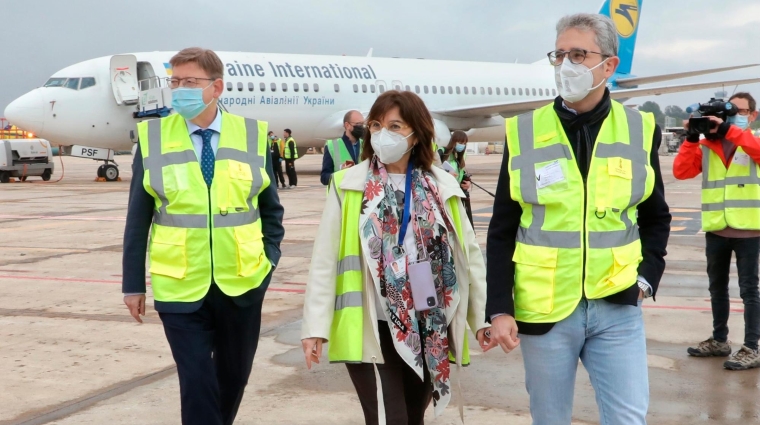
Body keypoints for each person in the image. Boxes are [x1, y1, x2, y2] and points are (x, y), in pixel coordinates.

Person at [485, 14, 671, 425]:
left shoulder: (641, 128)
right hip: (547, 311)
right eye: (560, 55)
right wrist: (499, 307)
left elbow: (655, 216)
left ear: (608, 66)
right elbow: (501, 230)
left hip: (617, 304)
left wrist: (646, 279)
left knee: (628, 418)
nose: (565, 64)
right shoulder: (525, 131)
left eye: (577, 54)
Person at [301, 90, 489, 425]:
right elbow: (325, 259)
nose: (381, 133)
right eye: (375, 125)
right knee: (389, 419)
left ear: (416, 133)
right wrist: (315, 326)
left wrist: (482, 319)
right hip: (373, 325)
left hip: (429, 322)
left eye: (394, 125)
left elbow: (469, 257)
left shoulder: (443, 184)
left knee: (413, 416)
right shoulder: (348, 184)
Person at [122, 47, 284, 425]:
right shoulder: (153, 137)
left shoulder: (253, 135)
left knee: (231, 381)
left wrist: (268, 261)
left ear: (216, 88)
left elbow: (271, 212)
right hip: (179, 285)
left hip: (242, 282)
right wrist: (133, 284)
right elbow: (137, 218)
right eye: (174, 82)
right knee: (196, 381)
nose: (180, 90)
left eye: (190, 82)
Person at [674, 92, 760, 370]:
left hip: (749, 229)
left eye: (741, 111)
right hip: (716, 229)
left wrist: (730, 131)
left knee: (750, 290)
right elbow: (681, 172)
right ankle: (720, 340)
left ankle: (752, 346)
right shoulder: (707, 147)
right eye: (730, 111)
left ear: (752, 115)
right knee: (717, 288)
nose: (735, 115)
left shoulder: (753, 141)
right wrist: (690, 139)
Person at [320, 110, 365, 185]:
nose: (361, 127)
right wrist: (341, 173)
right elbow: (324, 178)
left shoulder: (366, 145)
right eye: (357, 124)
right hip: (342, 195)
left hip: (361, 195)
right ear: (347, 125)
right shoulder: (332, 146)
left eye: (362, 124)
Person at [439, 130, 473, 227]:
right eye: (460, 142)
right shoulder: (442, 152)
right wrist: (446, 174)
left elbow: (462, 174)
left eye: (464, 143)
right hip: (444, 194)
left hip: (457, 194)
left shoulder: (461, 156)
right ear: (453, 141)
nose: (462, 145)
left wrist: (466, 183)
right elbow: (432, 168)